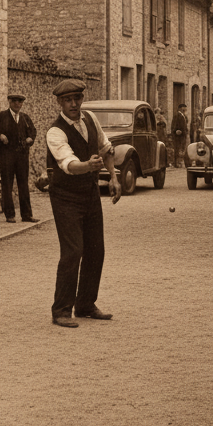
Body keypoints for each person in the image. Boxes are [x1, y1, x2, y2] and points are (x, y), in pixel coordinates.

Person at [44, 78, 121, 328]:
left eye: (77, 98)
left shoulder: (90, 119)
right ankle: (61, 310)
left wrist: (112, 177)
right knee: (73, 251)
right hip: (65, 197)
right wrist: (88, 166)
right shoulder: (55, 133)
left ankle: (86, 304)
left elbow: (106, 148)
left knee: (96, 249)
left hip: (89, 194)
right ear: (60, 103)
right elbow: (68, 164)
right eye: (68, 100)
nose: (74, 104)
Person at [0, 93, 39, 224]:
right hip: (6, 155)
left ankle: (27, 215)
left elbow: (33, 131)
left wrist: (30, 138)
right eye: (14, 101)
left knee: (23, 184)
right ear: (9, 102)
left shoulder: (25, 118)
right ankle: (10, 214)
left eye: (20, 102)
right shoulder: (0, 116)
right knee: (7, 184)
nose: (17, 104)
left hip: (22, 155)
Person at [171, 103, 190, 168]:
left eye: (185, 109)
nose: (185, 110)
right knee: (178, 149)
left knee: (182, 148)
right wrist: (176, 131)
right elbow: (174, 125)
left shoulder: (183, 116)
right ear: (180, 108)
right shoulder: (177, 115)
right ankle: (176, 163)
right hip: (178, 136)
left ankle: (180, 162)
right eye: (183, 108)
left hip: (183, 135)